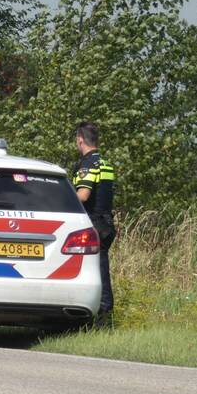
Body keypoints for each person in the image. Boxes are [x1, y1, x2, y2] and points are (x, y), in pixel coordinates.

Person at [72, 122, 117, 324]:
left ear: (80, 139)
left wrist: (63, 197)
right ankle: (102, 315)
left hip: (94, 223)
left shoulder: (88, 164)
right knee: (101, 268)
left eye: (76, 140)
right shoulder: (105, 163)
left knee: (95, 270)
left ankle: (101, 318)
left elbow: (83, 195)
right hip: (106, 222)